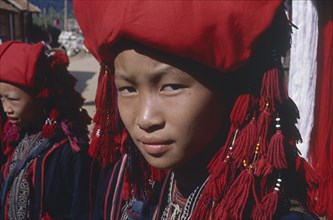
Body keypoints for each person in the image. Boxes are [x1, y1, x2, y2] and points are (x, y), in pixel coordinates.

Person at [74, 1, 319, 219]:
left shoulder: (274, 211)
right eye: (127, 89)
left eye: (170, 87)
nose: (145, 118)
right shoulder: (140, 190)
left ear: (233, 88)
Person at [0, 41, 92, 219]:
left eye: (12, 99)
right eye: (1, 99)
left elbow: (79, 207)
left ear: (40, 96)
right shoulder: (14, 136)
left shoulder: (69, 149)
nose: (6, 108)